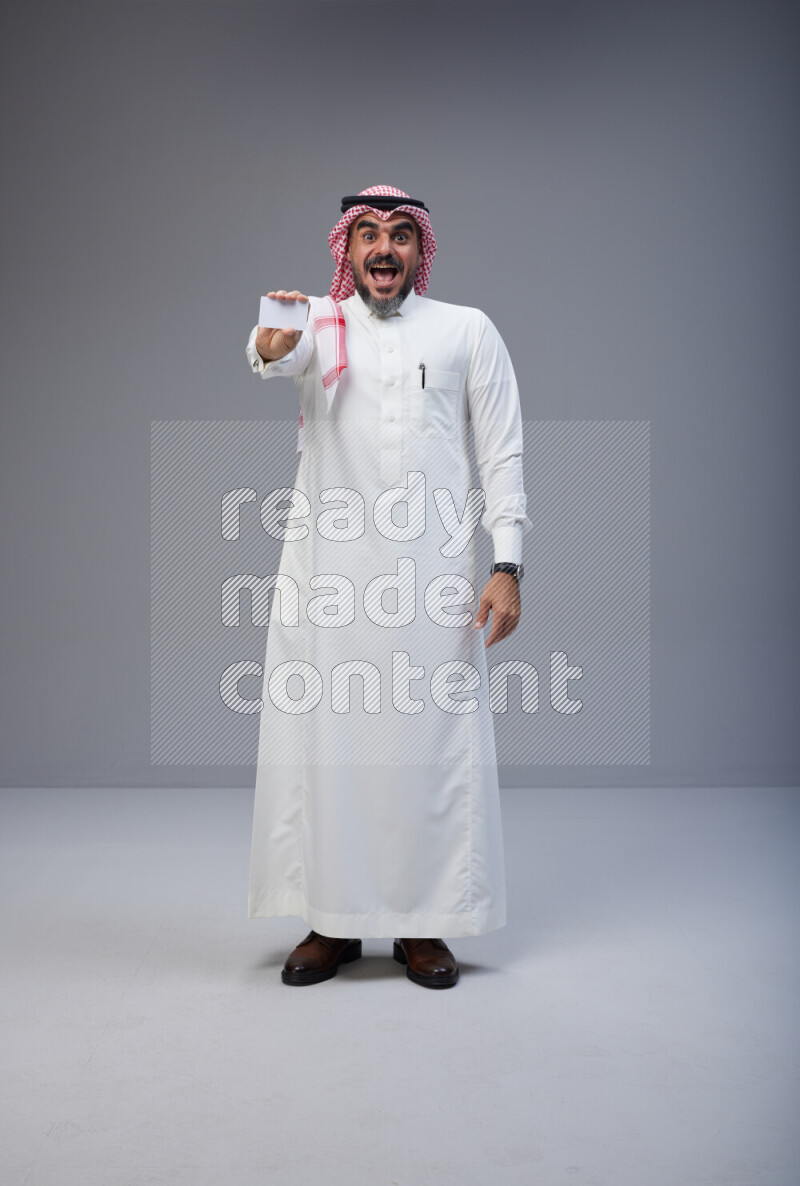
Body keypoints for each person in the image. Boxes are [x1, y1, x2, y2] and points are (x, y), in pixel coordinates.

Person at [245, 185, 532, 989]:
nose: (383, 248)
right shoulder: (320, 324)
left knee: (426, 750)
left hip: (431, 579)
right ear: (345, 248)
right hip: (328, 580)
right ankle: (329, 922)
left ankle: (421, 925)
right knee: (326, 749)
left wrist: (506, 566)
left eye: (400, 236)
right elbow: (274, 354)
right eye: (367, 233)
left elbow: (502, 453)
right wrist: (271, 340)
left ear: (420, 250)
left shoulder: (467, 330)